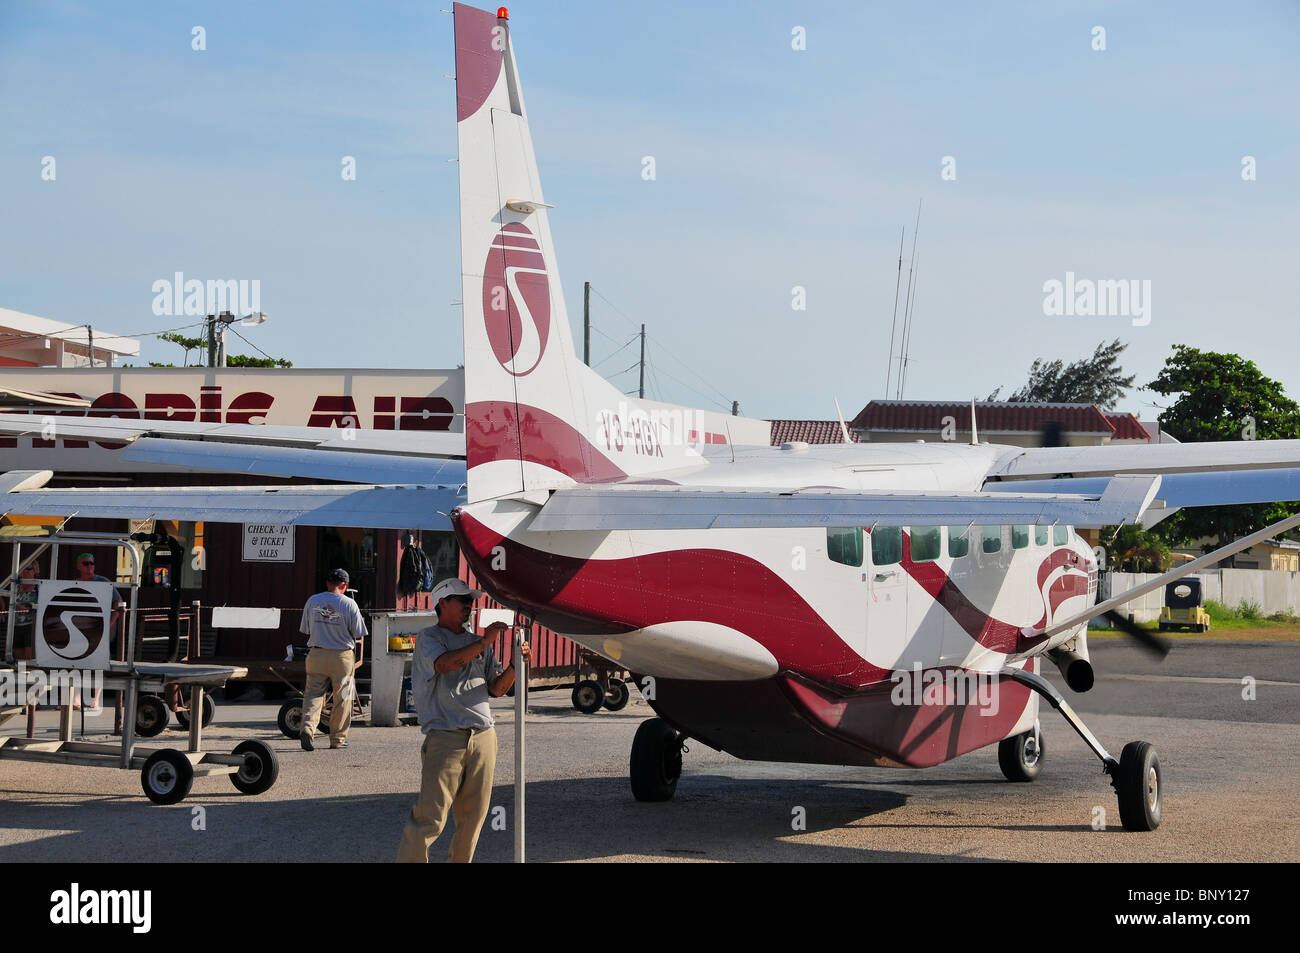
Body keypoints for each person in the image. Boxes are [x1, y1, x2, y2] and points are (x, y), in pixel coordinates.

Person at [396, 578, 529, 863]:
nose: (469, 605)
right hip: (446, 737)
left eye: (471, 600)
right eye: (462, 600)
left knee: (473, 820)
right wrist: (483, 642)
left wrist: (517, 664)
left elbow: (497, 688)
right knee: (430, 818)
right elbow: (444, 664)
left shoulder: (476, 642)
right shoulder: (430, 638)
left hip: (483, 737)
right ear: (442, 603)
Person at [298, 568, 368, 751]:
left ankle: (307, 728)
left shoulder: (313, 601)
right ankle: (337, 739)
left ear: (328, 583)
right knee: (343, 698)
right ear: (344, 585)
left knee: (313, 694)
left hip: (316, 654)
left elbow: (305, 629)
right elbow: (360, 632)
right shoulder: (349, 604)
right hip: (341, 656)